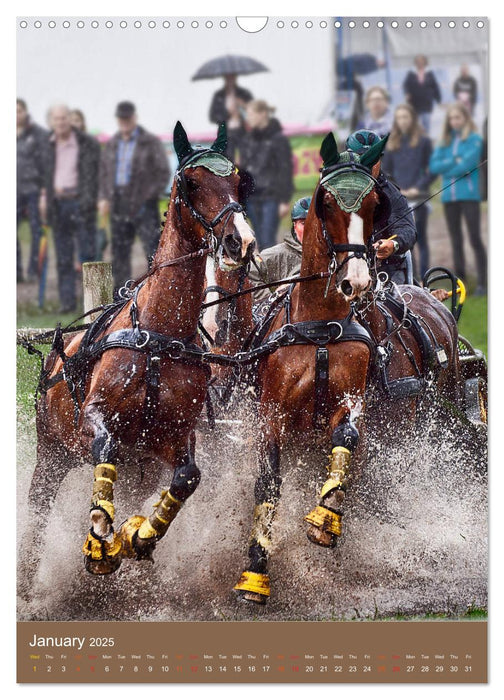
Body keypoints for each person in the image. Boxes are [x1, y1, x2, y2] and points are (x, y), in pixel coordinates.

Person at [98, 101, 170, 290]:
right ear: (118, 120)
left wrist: (148, 196)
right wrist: (104, 197)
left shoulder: (150, 142)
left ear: (135, 118)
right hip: (118, 203)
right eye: (121, 118)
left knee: (152, 249)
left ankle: (155, 290)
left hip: (143, 204)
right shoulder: (112, 144)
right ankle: (120, 295)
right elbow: (104, 173)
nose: (125, 122)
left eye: (128, 118)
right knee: (119, 251)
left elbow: (162, 172)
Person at [40, 104, 100, 312]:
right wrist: (43, 196)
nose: (61, 122)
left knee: (87, 253)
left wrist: (94, 198)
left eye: (64, 118)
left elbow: (95, 175)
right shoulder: (46, 146)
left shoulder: (87, 143)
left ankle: (92, 302)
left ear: (69, 119)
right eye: (56, 119)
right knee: (64, 256)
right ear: (51, 122)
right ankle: (67, 303)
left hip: (81, 203)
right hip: (57, 205)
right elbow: (42, 175)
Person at [346, 129, 417, 284]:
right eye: (362, 159)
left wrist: (393, 244)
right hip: (345, 266)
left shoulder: (391, 194)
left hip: (385, 270)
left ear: (380, 160)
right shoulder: (336, 190)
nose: (368, 165)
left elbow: (407, 229)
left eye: (373, 159)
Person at [429, 103, 486, 294]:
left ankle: (482, 283)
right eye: (451, 118)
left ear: (465, 118)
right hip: (449, 197)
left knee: (474, 238)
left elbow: (468, 165)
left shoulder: (475, 139)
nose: (455, 122)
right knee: (456, 240)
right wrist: (456, 160)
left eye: (458, 118)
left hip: (469, 195)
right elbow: (434, 166)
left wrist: (451, 167)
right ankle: (461, 282)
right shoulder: (445, 140)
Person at [229, 100, 294, 251]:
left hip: (271, 197)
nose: (248, 118)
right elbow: (243, 166)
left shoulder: (278, 139)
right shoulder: (247, 139)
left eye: (251, 114)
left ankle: (271, 273)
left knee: (267, 240)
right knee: (257, 238)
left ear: (263, 114)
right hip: (252, 197)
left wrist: (284, 200)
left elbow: (285, 169)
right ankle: (264, 270)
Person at [381, 104, 435, 278]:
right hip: (399, 199)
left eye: (406, 117)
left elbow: (431, 169)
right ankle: (412, 278)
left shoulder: (424, 142)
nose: (403, 121)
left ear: (412, 119)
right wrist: (398, 190)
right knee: (405, 241)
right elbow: (386, 171)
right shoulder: (391, 143)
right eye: (399, 117)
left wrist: (417, 188)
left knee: (420, 238)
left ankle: (425, 276)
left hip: (419, 198)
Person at [249, 196, 311, 302]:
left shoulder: (333, 255)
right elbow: (250, 274)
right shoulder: (278, 254)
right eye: (303, 223)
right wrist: (271, 300)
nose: (309, 228)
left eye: (314, 222)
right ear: (294, 225)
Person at [16, 98, 48, 283]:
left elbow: (45, 164)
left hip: (33, 190)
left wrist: (44, 191)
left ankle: (34, 271)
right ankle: (15, 271)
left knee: (37, 231)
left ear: (25, 112)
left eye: (19, 110)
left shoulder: (37, 135)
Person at [68, 108, 101, 266]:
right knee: (72, 235)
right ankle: (77, 264)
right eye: (71, 120)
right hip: (68, 197)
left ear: (82, 123)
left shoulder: (91, 144)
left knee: (87, 233)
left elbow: (98, 171)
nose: (74, 123)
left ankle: (89, 263)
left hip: (88, 196)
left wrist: (98, 196)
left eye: (77, 120)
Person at [402, 55, 442, 135]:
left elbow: (435, 87)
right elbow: (406, 85)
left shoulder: (430, 74)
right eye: (418, 61)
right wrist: (407, 93)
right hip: (414, 103)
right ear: (416, 63)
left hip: (426, 103)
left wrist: (438, 99)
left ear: (425, 62)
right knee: (415, 124)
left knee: (426, 123)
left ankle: (426, 140)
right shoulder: (411, 74)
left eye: (422, 61)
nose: (420, 63)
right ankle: (415, 140)